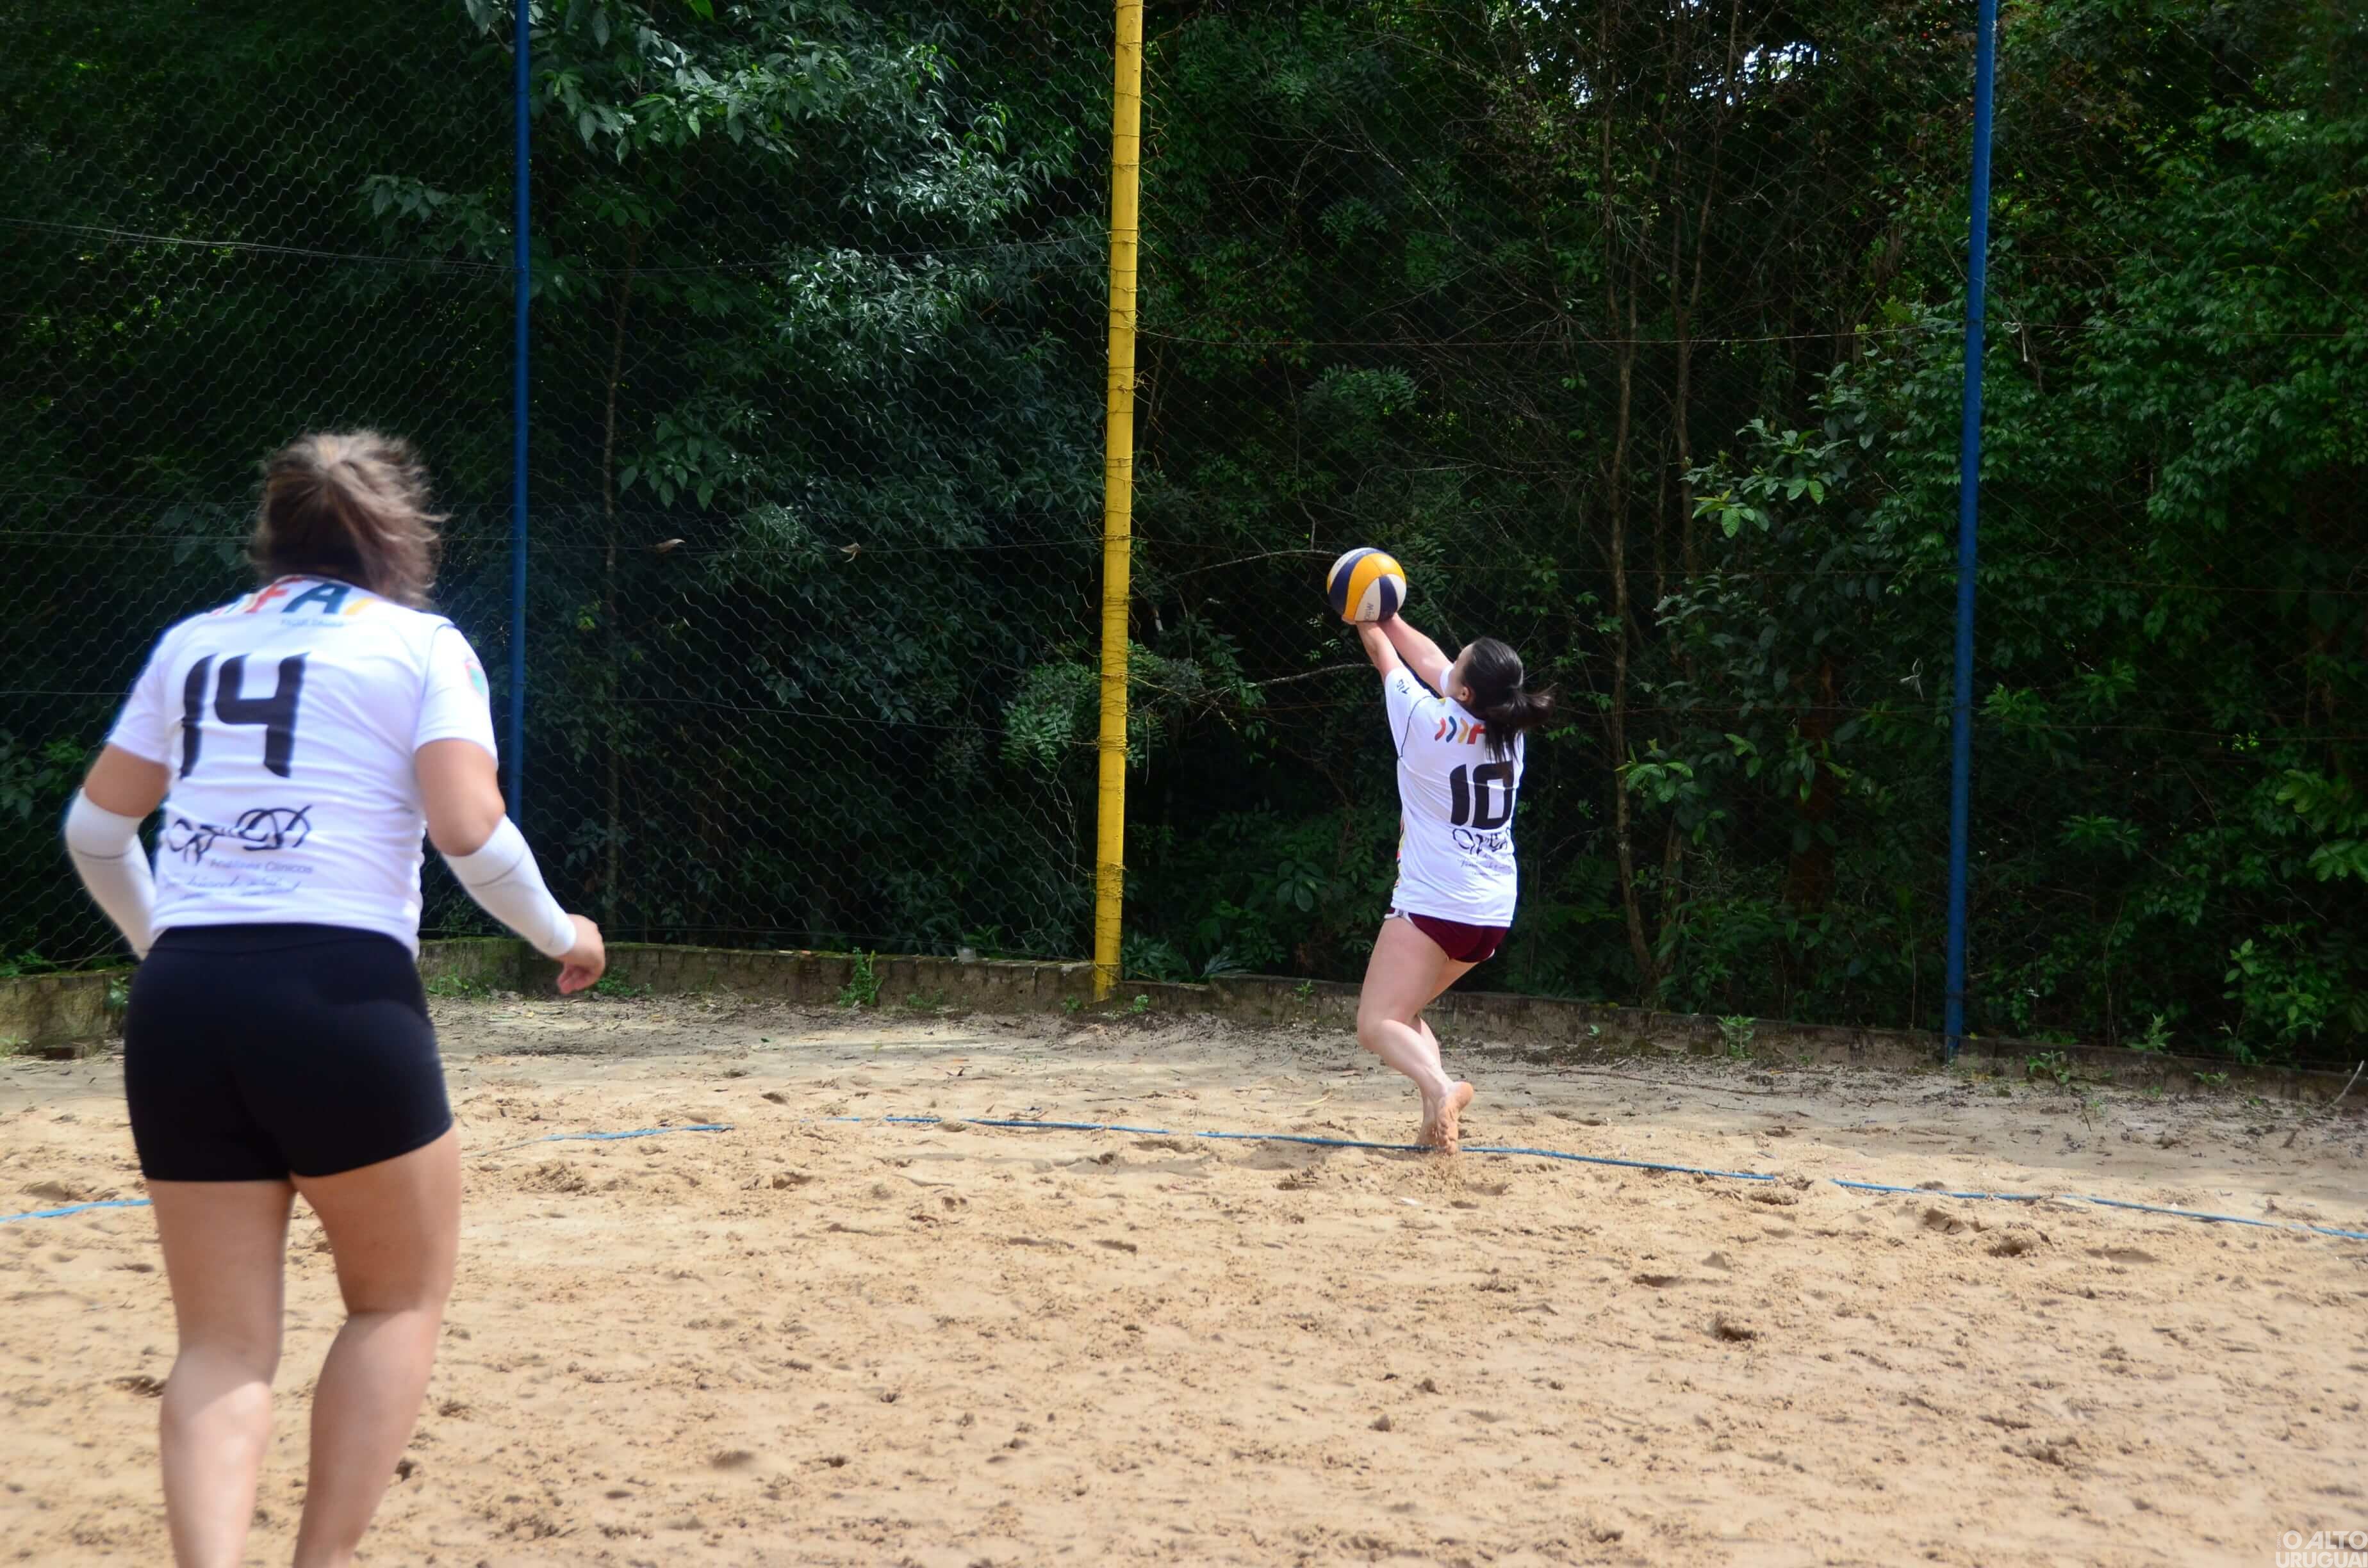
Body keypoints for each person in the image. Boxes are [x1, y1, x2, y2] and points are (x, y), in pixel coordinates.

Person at [62, 432, 605, 1568]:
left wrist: (169, 946)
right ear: (402, 538)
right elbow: (470, 832)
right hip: (339, 994)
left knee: (220, 1346)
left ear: (274, 533)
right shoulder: (420, 645)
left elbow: (96, 830)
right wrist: (564, 933)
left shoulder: (193, 641)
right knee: (394, 1303)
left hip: (185, 1004)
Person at [1351, 611, 1553, 1152]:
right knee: (1405, 1012)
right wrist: (1392, 615)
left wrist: (1362, 613)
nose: (1451, 657)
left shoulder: (1423, 721)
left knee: (1376, 1022)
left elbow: (1386, 657)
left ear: (1464, 691)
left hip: (1435, 903)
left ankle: (1442, 1087)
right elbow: (1429, 660)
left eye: (1459, 658)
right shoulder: (1510, 732)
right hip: (1491, 913)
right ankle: (1433, 1131)